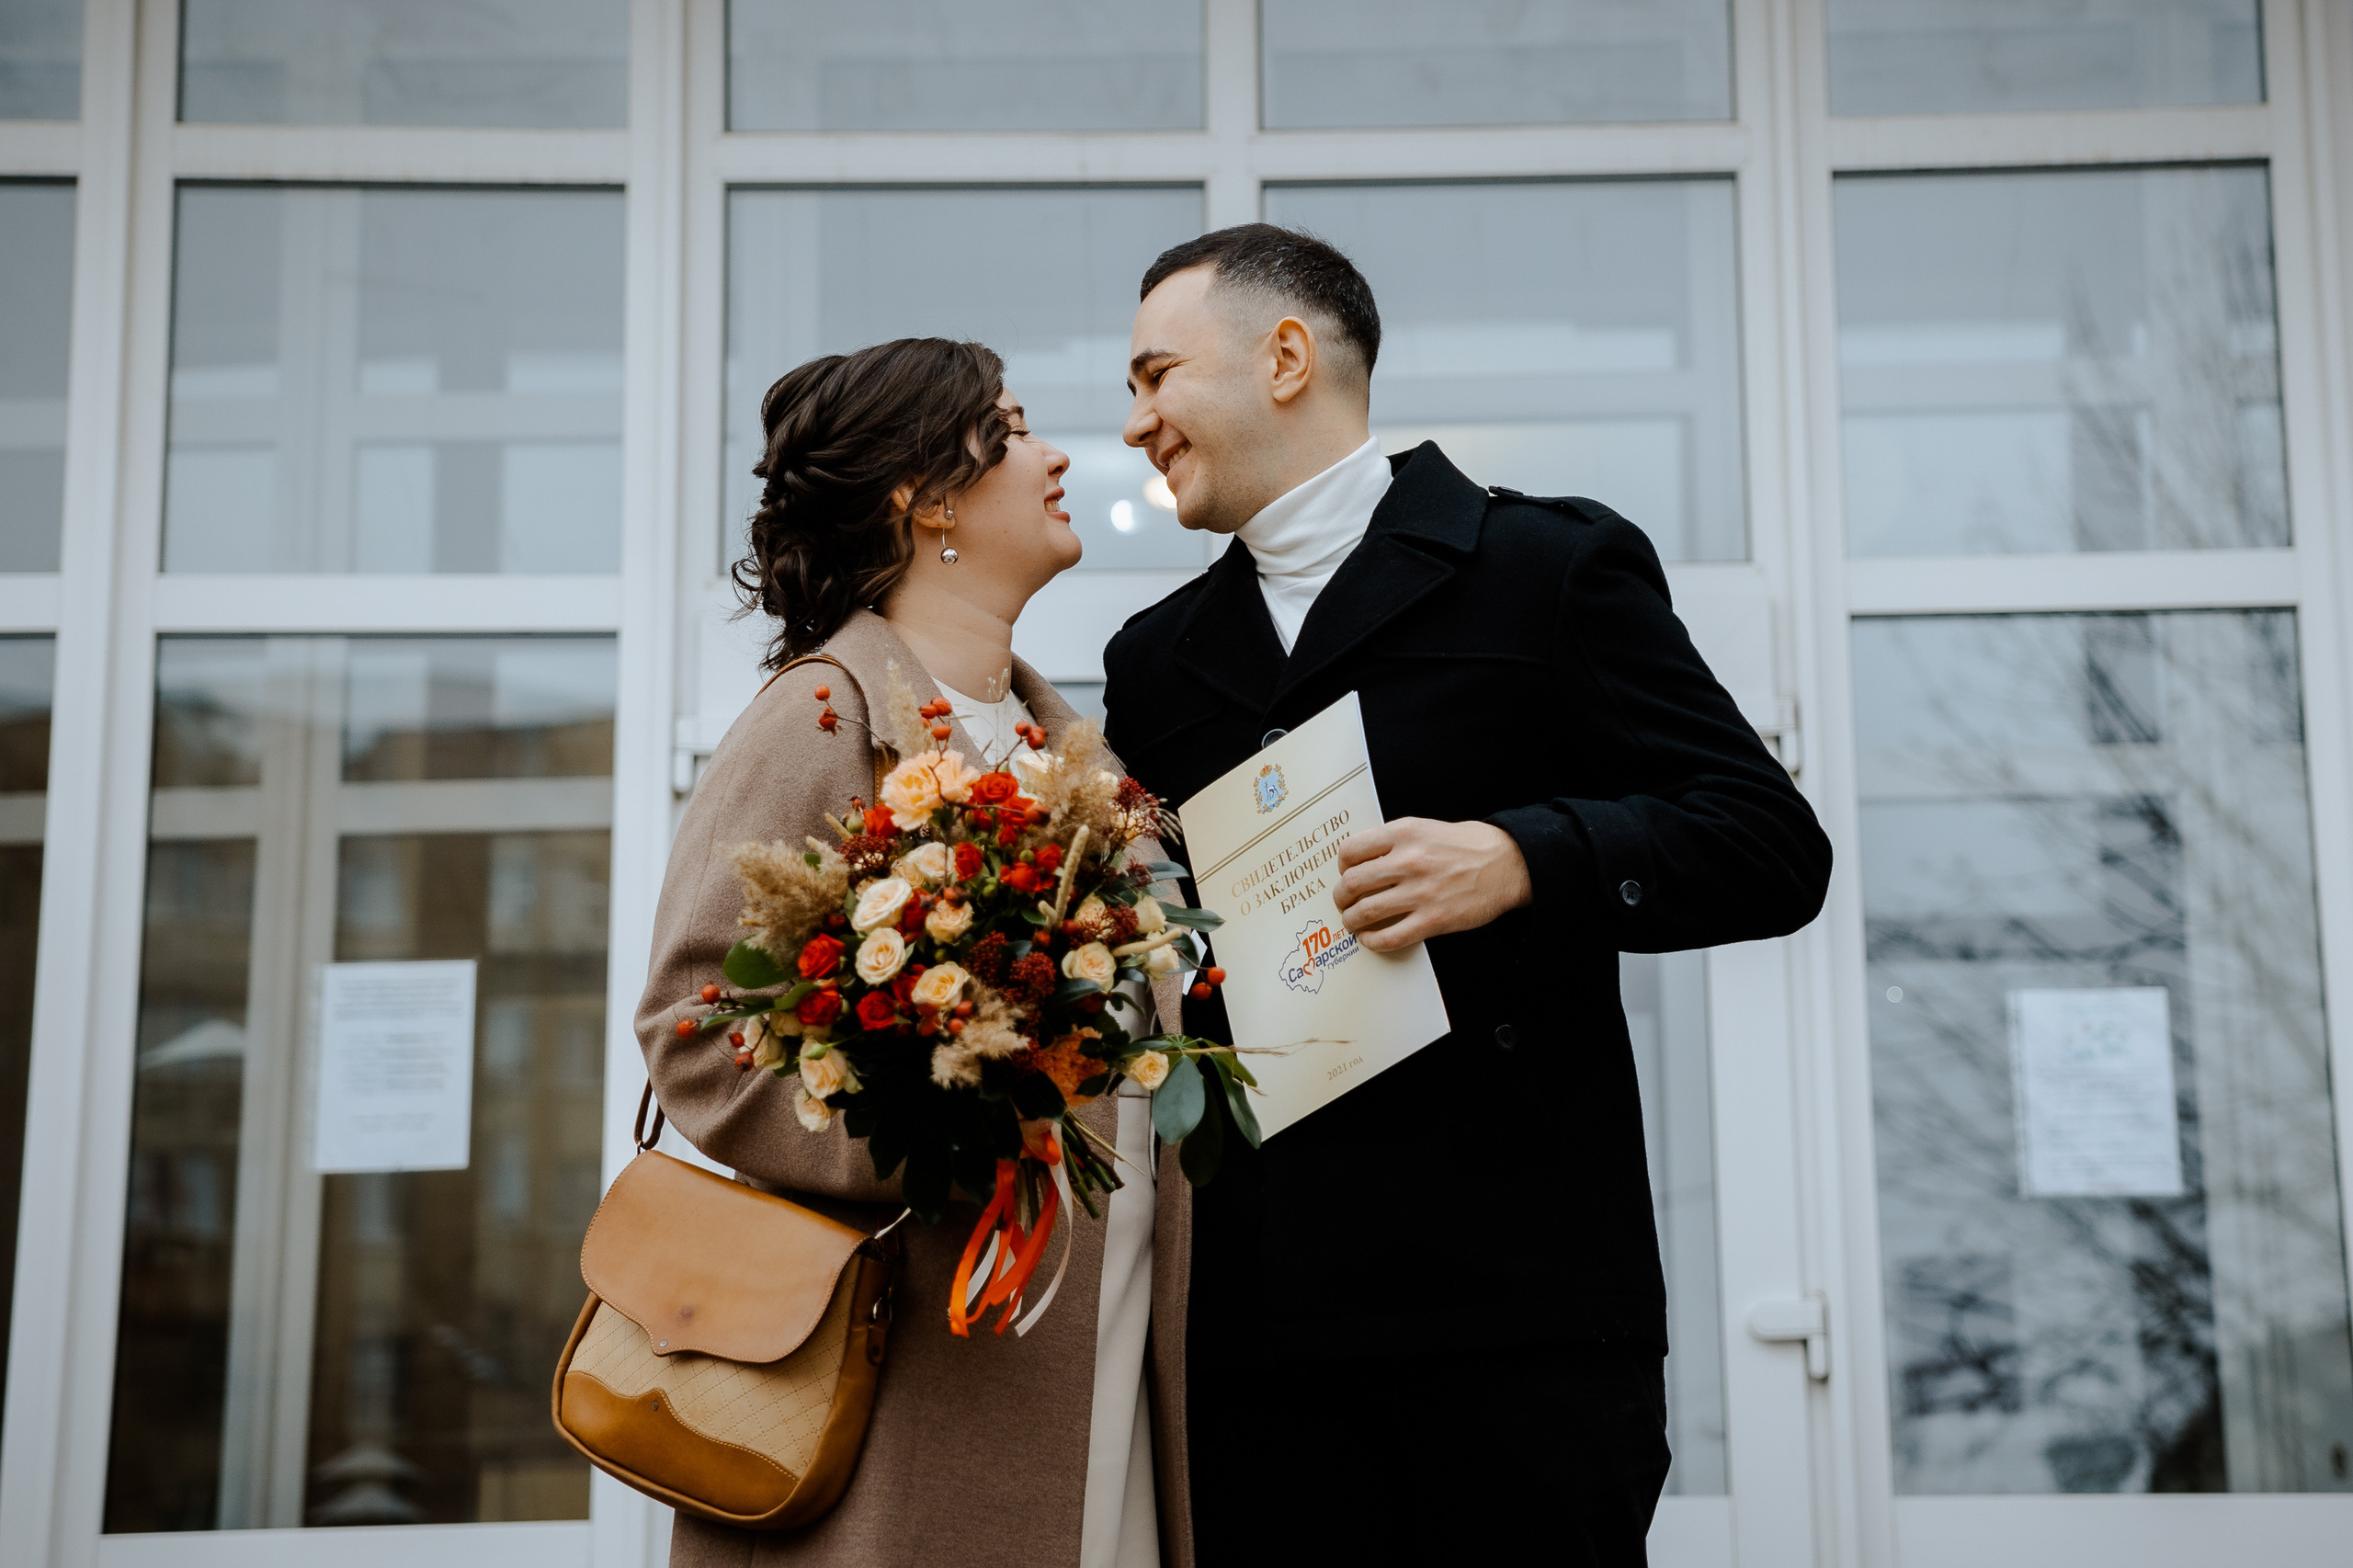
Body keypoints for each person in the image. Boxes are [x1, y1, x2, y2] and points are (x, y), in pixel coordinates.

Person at [1102, 226, 1834, 1565]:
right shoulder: (1152, 663)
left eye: (1155, 375)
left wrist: (1523, 857)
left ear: (1284, 357)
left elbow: (1771, 844)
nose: (1135, 420)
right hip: (1259, 1330)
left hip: (1518, 1320)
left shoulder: (1547, 569)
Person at [636, 337, 1184, 1568]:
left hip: (1112, 1346)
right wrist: (935, 1135)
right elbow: (694, 1019)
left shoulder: (1075, 752)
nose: (1057, 456)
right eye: (1018, 425)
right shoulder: (822, 713)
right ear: (927, 495)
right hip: (919, 1386)